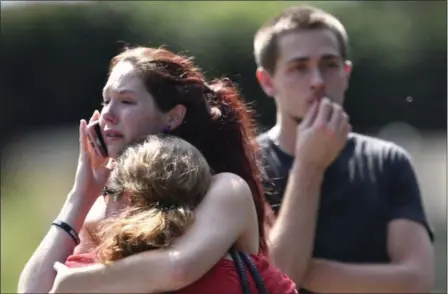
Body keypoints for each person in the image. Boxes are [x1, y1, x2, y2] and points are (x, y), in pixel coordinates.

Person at [18, 46, 294, 294]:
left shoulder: (224, 190)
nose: (108, 114)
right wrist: (80, 195)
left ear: (173, 117)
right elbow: (33, 290)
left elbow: (178, 269)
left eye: (126, 101)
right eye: (106, 101)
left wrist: (78, 281)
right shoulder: (100, 206)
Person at [253, 5, 434, 293]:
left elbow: (417, 281)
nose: (317, 81)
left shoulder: (388, 161)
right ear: (267, 81)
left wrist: (304, 268)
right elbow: (276, 284)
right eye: (299, 67)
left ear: (346, 73)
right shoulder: (246, 162)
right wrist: (309, 165)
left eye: (329, 65)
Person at [63, 134, 296, 294]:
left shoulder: (84, 271)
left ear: (129, 196)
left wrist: (79, 197)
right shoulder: (254, 274)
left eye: (107, 191)